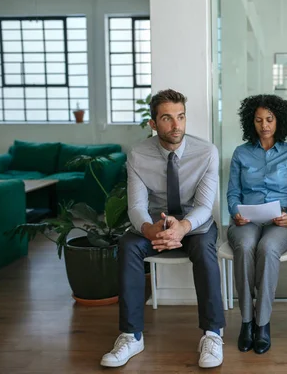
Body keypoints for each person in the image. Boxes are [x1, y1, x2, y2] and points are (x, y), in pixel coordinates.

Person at [100, 89, 225, 369]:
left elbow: (205, 206)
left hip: (194, 224)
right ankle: (131, 335)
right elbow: (136, 206)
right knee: (128, 246)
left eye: (180, 117)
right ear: (153, 124)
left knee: (205, 250)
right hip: (155, 224)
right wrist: (148, 230)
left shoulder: (206, 152)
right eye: (167, 118)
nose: (176, 125)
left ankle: (212, 334)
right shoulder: (138, 154)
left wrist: (182, 227)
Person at [227, 94, 287, 354]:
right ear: (251, 122)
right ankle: (246, 321)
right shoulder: (241, 153)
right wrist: (235, 212)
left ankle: (263, 323)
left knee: (268, 248)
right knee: (246, 245)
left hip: (281, 221)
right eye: (258, 120)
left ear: (279, 120)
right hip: (246, 219)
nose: (264, 125)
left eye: (269, 119)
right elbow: (232, 194)